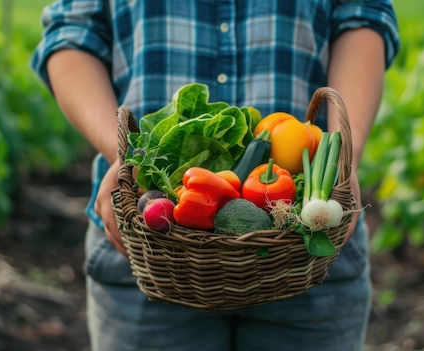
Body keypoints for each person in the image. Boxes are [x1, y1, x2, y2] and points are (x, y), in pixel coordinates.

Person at [32, 1, 399, 350]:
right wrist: (126, 155)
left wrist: (344, 161)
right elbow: (72, 33)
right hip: (150, 248)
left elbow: (362, 15)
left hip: (306, 246)